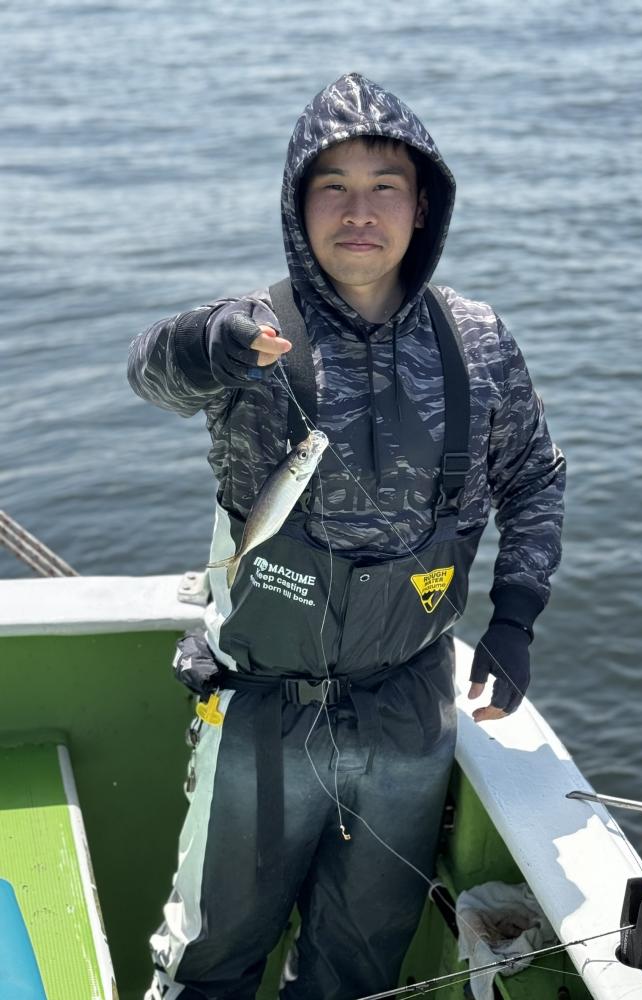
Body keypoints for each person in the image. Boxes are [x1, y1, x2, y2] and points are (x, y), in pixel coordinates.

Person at [128, 72, 565, 1000]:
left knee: (357, 968)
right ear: (298, 205)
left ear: (423, 205)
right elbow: (150, 375)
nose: (358, 212)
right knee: (208, 957)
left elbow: (534, 475)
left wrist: (516, 617)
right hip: (260, 708)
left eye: (384, 186)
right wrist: (204, 341)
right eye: (333, 186)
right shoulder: (250, 334)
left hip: (409, 707)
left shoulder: (478, 341)